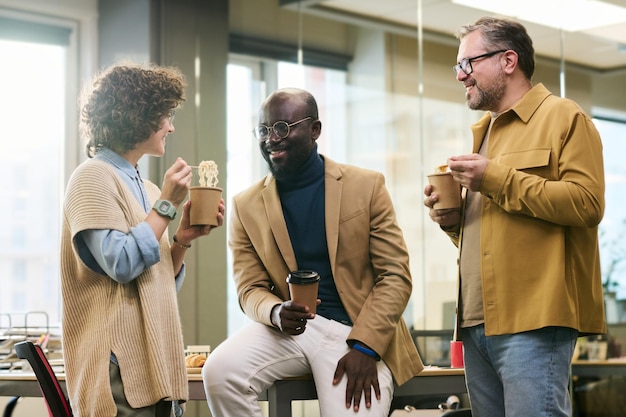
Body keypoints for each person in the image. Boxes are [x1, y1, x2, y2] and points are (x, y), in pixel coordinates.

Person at [424, 17, 606, 417]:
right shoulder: (484, 132)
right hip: (474, 324)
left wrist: (494, 177)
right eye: (458, 66)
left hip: (533, 320)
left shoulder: (564, 118)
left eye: (467, 64)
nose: (460, 76)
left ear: (509, 60)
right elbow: (499, 230)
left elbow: (587, 204)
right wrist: (453, 222)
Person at [202, 87, 423, 416]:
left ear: (315, 129)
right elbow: (249, 288)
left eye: (283, 128)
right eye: (263, 130)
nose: (271, 139)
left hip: (356, 334)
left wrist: (366, 346)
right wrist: (276, 312)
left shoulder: (366, 186)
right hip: (290, 330)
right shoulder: (245, 205)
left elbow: (395, 276)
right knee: (220, 372)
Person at [60, 62, 225, 417]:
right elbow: (121, 264)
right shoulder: (91, 178)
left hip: (157, 363)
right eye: (165, 115)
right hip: (118, 367)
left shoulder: (148, 189)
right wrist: (166, 206)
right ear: (138, 116)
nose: (171, 126)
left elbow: (156, 283)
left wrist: (181, 239)